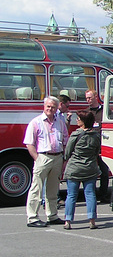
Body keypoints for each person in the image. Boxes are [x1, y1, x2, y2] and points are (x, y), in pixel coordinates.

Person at [23, 96, 69, 227]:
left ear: (56, 108)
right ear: (44, 107)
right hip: (43, 157)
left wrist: (64, 158)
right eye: (48, 106)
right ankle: (32, 218)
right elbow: (29, 143)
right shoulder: (35, 122)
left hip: (57, 157)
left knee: (53, 189)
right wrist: (37, 159)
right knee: (36, 189)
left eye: (53, 107)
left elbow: (65, 140)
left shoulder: (60, 122)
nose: (50, 109)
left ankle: (52, 215)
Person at [63, 110, 102, 230]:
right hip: (90, 168)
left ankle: (68, 221)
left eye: (78, 118)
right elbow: (97, 152)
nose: (77, 120)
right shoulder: (96, 136)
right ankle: (92, 220)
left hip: (74, 168)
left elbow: (68, 152)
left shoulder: (76, 134)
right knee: (90, 194)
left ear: (83, 121)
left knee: (71, 195)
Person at [85, 89, 110, 202]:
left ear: (96, 97)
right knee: (91, 172)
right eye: (86, 98)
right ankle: (91, 195)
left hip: (102, 146)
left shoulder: (104, 111)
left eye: (90, 98)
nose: (88, 100)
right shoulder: (87, 112)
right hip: (90, 146)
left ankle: (103, 195)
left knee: (104, 172)